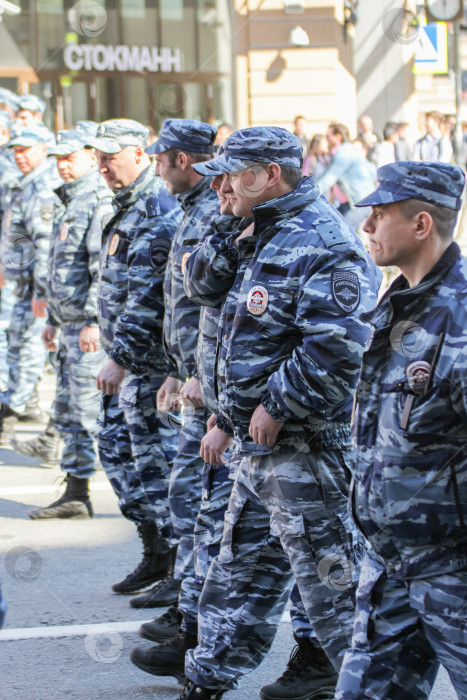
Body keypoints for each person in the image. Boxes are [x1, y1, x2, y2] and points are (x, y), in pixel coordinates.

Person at [176, 126, 380, 700]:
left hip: (306, 450)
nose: (220, 184)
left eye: (234, 173)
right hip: (254, 446)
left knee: (335, 593)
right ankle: (205, 682)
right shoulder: (252, 229)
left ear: (270, 174)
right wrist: (226, 414)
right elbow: (203, 292)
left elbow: (340, 344)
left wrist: (277, 403)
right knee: (236, 574)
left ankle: (360, 686)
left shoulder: (322, 240)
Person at [335, 161, 467, 700]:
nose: (366, 226)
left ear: (420, 226)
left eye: (380, 214)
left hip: (452, 571)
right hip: (390, 562)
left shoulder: (458, 319)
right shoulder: (398, 305)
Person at [130, 160, 239, 680]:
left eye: (229, 177)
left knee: (256, 548)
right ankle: (193, 632)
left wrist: (245, 410)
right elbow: (195, 301)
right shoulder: (226, 219)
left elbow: (306, 342)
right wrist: (187, 370)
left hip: (257, 420)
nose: (219, 186)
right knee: (200, 515)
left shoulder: (304, 238)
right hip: (215, 400)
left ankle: (314, 657)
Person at [127, 119, 221, 616]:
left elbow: (217, 308)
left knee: (198, 497)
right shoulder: (192, 208)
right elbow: (183, 306)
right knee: (190, 495)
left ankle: (192, 608)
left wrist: (202, 374)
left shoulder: (211, 212)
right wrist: (175, 368)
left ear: (181, 159)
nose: (156, 168)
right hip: (192, 377)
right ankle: (187, 600)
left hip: (213, 385)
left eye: (160, 159)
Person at [91, 119, 182, 593]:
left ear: (141, 155)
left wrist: (121, 355)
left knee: (158, 468)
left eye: (111, 157)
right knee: (119, 456)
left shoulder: (155, 207)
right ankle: (156, 551)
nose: (103, 166)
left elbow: (150, 295)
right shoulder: (124, 206)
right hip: (125, 362)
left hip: (147, 366)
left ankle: (176, 567)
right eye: (100, 158)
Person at [26, 129, 112, 519]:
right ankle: (77, 493)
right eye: (58, 158)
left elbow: (102, 269)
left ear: (91, 158)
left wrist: (94, 319)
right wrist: (54, 320)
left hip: (87, 330)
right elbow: (62, 266)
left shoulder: (98, 201)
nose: (63, 164)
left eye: (71, 157)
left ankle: (134, 497)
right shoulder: (69, 199)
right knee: (66, 411)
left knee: (86, 413)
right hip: (68, 326)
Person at [0, 126, 60, 444]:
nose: (19, 156)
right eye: (15, 151)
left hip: (35, 290)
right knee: (20, 346)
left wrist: (41, 293)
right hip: (21, 286)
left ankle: (12, 412)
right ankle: (21, 407)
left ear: (42, 149)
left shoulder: (42, 188)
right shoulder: (23, 185)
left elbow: (44, 245)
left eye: (26, 150)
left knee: (31, 348)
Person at [316, 122, 376, 229]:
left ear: (338, 137)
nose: (326, 138)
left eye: (328, 135)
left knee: (343, 232)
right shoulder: (340, 152)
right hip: (349, 202)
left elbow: (330, 177)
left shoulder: (345, 152)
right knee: (330, 227)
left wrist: (308, 194)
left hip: (360, 201)